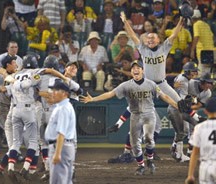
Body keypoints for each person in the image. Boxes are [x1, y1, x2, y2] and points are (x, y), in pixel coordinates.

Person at [80, 60, 180, 175]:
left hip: (149, 115)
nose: (135, 70)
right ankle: (141, 165)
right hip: (135, 116)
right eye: (133, 68)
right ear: (131, 71)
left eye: (138, 68)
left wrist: (176, 105)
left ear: (142, 70)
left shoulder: (151, 84)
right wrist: (93, 99)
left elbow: (165, 96)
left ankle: (150, 160)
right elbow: (110, 94)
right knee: (134, 143)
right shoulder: (126, 85)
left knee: (148, 138)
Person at [121, 11, 191, 162]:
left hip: (163, 84)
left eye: (153, 37)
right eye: (148, 38)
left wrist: (180, 21)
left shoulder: (164, 48)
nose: (150, 39)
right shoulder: (143, 49)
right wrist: (125, 21)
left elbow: (173, 35)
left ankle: (178, 147)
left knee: (181, 104)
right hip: (147, 86)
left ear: (159, 39)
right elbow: (133, 36)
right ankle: (128, 150)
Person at [44, 79, 76, 183]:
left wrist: (57, 153)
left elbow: (61, 133)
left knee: (59, 181)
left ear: (65, 93)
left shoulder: (63, 108)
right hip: (66, 147)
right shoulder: (64, 106)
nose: (53, 93)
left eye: (56, 90)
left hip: (60, 147)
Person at [185, 97, 216, 184]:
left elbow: (195, 152)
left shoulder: (200, 128)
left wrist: (190, 175)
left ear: (205, 111)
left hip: (206, 166)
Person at [190, 9, 214, 75]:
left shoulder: (196, 24)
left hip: (203, 52)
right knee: (208, 72)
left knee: (201, 74)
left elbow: (196, 37)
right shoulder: (206, 25)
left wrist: (192, 50)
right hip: (211, 51)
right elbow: (212, 37)